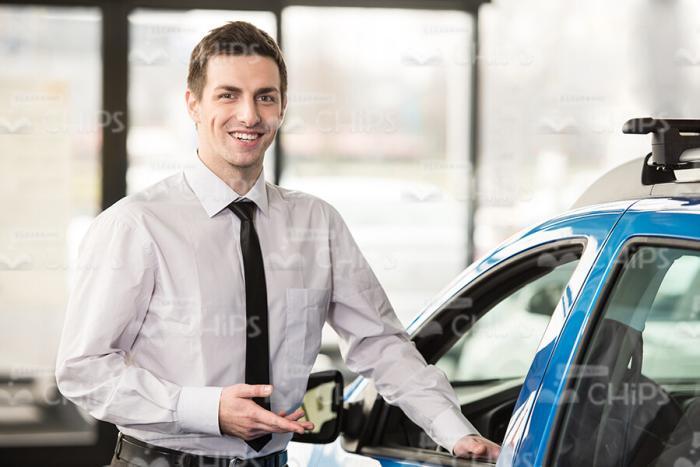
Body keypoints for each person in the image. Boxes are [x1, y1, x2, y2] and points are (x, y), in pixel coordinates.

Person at [55, 20, 501, 467]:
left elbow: (380, 343)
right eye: (228, 95)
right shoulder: (137, 225)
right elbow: (83, 371)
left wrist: (455, 431)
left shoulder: (316, 223)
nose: (249, 116)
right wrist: (207, 409)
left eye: (265, 97)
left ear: (282, 108)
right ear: (193, 104)